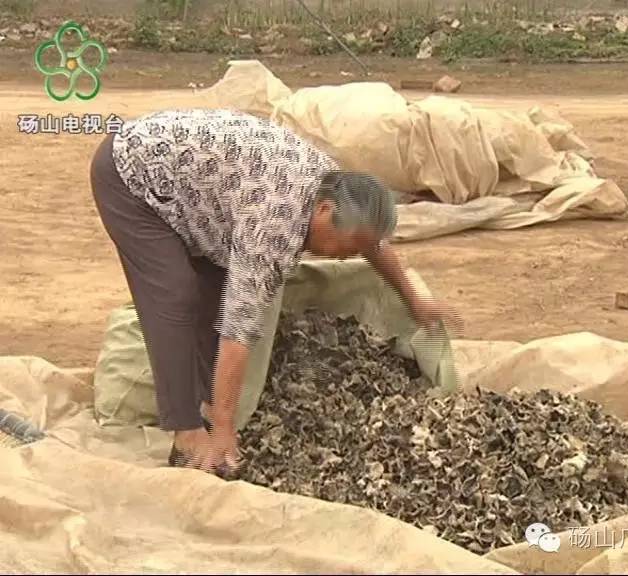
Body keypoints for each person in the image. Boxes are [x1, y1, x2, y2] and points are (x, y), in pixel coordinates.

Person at [89, 108, 457, 475]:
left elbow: (373, 244)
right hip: (132, 174)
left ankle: (207, 408)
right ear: (326, 212)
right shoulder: (273, 228)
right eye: (347, 247)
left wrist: (415, 300)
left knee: (214, 300)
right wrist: (225, 429)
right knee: (176, 296)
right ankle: (187, 432)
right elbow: (239, 332)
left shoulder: (334, 189)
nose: (347, 256)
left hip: (202, 194)